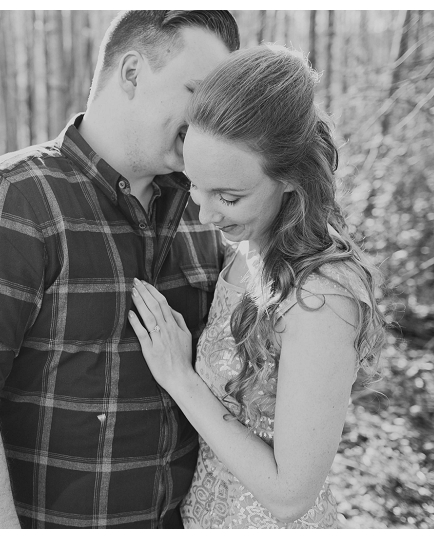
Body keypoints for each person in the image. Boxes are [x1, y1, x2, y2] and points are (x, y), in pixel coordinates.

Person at [0, 11, 240, 529]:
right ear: (132, 73)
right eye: (198, 93)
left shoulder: (208, 213)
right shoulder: (10, 198)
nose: (211, 120)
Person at [128, 45, 386, 529]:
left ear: (292, 180)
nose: (205, 215)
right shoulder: (243, 252)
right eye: (196, 187)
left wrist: (180, 379)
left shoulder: (322, 295)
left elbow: (291, 497)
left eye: (229, 196)